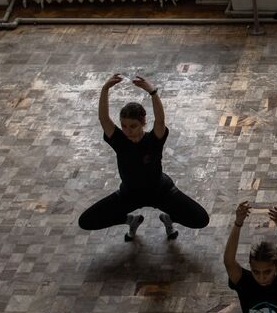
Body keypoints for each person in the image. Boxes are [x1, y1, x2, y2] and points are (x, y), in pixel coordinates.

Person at [78, 73, 209, 241]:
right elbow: (104, 119)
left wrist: (153, 92)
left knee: (200, 219)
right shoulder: (120, 141)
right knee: (87, 221)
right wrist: (105, 89)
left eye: (133, 126)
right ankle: (130, 221)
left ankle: (169, 218)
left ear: (143, 123)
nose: (127, 130)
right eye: (124, 126)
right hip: (130, 194)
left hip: (161, 191)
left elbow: (160, 121)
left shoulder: (153, 140)